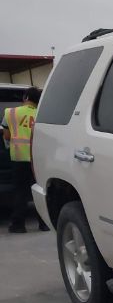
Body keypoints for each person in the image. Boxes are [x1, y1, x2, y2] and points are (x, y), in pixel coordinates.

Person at [2, 87, 49, 233]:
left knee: (20, 191)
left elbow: (7, 136)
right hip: (38, 159)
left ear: (26, 97)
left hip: (18, 158)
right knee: (39, 190)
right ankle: (44, 224)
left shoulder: (10, 112)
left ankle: (18, 225)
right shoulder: (42, 114)